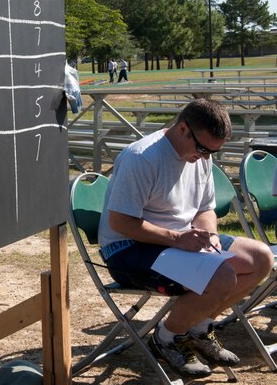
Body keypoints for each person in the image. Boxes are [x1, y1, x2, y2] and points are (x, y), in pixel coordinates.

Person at [98, 99, 272, 377]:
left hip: (178, 238)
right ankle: (166, 338)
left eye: (213, 151)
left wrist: (210, 235)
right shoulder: (141, 157)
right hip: (128, 247)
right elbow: (120, 223)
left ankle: (198, 329)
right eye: (202, 148)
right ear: (182, 129)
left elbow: (205, 208)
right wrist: (178, 238)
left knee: (260, 258)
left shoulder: (201, 155)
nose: (205, 157)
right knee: (223, 275)